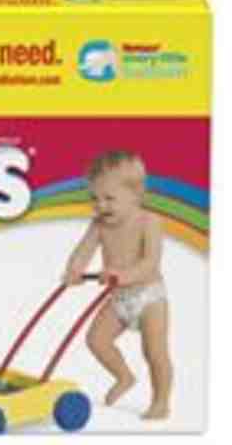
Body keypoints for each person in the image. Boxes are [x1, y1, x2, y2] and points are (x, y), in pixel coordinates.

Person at [63, 151, 172, 420]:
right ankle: (124, 376)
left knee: (154, 351)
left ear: (136, 194)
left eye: (109, 198)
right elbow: (83, 250)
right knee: (96, 340)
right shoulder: (99, 225)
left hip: (149, 298)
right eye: (94, 198)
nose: (101, 205)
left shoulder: (149, 222)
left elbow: (150, 263)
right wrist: (74, 269)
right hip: (119, 298)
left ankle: (161, 402)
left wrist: (122, 275)